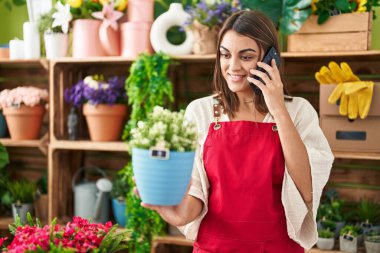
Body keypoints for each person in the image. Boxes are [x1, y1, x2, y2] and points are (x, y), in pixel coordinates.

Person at [138, 10, 334, 252]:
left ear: (271, 59)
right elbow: (196, 196)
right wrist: (170, 210)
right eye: (225, 55)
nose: (233, 66)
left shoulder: (298, 112)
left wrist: (279, 110)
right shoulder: (200, 112)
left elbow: (307, 188)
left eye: (246, 56)